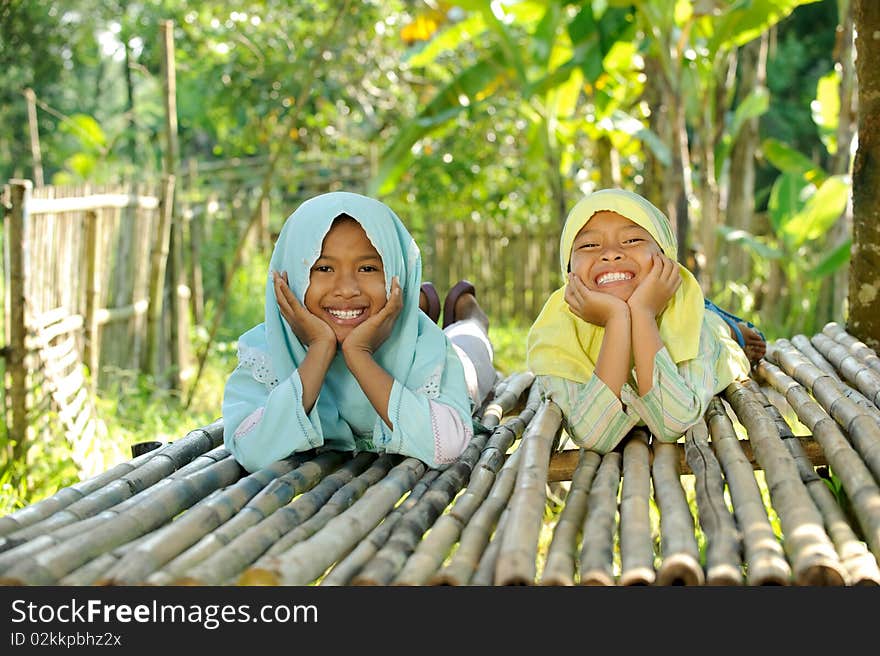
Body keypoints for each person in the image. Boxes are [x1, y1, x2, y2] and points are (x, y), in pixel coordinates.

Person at [222, 191, 495, 473]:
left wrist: (359, 355)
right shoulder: (266, 351)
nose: (347, 288)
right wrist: (320, 348)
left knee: (472, 345)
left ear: (395, 275)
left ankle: (470, 316)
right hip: (377, 319)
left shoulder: (428, 349)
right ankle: (421, 305)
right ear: (288, 277)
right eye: (324, 267)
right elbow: (251, 450)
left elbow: (447, 447)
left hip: (461, 362)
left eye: (367, 268)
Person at [526, 188, 759, 454]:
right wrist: (617, 319)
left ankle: (725, 322)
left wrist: (643, 313)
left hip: (704, 326)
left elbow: (672, 423)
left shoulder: (688, 320)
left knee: (717, 330)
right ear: (568, 271)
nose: (611, 254)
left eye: (633, 240)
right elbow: (593, 436)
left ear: (666, 259)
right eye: (590, 245)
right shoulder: (556, 332)